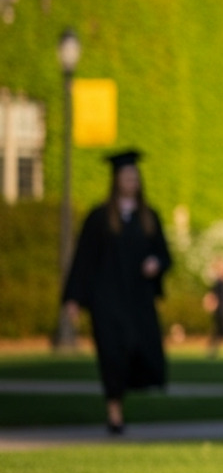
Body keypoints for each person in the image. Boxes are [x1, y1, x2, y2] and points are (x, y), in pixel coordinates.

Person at [61, 149, 173, 434]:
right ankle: (115, 413)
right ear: (116, 180)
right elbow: (83, 260)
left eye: (134, 176)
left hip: (137, 299)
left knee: (140, 349)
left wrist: (155, 263)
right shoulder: (99, 218)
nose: (131, 181)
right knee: (111, 354)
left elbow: (165, 254)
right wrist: (74, 298)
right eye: (126, 176)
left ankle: (126, 393)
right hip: (106, 299)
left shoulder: (149, 218)